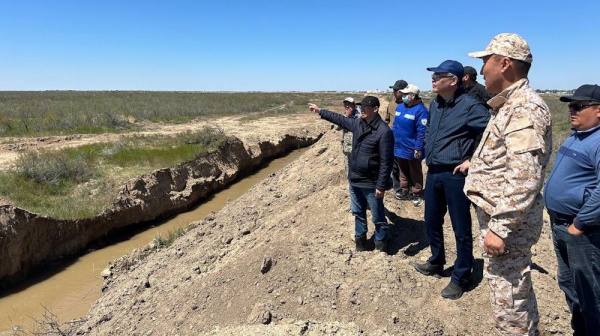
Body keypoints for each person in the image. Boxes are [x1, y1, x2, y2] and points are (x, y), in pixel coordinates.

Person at [465, 33, 552, 335]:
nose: (480, 69)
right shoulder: (509, 105)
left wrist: (500, 227)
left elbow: (525, 174)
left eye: (485, 61)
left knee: (510, 299)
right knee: (509, 293)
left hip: (507, 227)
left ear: (504, 64)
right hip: (502, 222)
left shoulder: (524, 108)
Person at [413, 60, 489, 300]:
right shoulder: (435, 104)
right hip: (434, 171)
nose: (433, 79)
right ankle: (437, 261)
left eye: (439, 75)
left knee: (460, 228)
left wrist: (472, 160)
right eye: (433, 76)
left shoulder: (470, 106)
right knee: (432, 221)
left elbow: (490, 134)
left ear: (454, 80)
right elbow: (428, 131)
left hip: (455, 175)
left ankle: (461, 275)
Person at [544, 84, 600, 335]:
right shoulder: (577, 135)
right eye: (570, 106)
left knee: (590, 293)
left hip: (584, 231)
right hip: (561, 224)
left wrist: (579, 224)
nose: (571, 111)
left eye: (579, 106)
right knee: (568, 283)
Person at [309, 96, 394, 252]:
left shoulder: (383, 131)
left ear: (375, 109)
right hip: (354, 179)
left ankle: (381, 243)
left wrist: (381, 185)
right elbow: (339, 119)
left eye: (366, 107)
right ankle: (360, 241)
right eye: (361, 107)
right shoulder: (357, 124)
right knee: (358, 212)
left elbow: (386, 162)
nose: (362, 109)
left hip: (371, 182)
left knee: (378, 217)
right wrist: (320, 111)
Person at [390, 84, 428, 207]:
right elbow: (395, 126)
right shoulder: (400, 108)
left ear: (413, 95)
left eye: (406, 94)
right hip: (400, 146)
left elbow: (422, 132)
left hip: (412, 147)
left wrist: (418, 147)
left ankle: (417, 192)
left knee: (415, 170)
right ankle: (404, 189)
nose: (404, 96)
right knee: (403, 169)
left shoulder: (421, 111)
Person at [384, 79, 408, 198]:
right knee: (394, 165)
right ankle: (397, 188)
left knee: (407, 165)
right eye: (393, 90)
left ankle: (410, 188)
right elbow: (387, 120)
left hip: (407, 140)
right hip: (393, 140)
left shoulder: (411, 104)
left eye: (395, 90)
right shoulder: (391, 104)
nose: (393, 92)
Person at [341, 97, 360, 174]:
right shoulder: (344, 116)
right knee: (348, 170)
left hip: (357, 149)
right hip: (347, 148)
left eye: (349, 104)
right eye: (345, 104)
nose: (347, 106)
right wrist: (346, 117)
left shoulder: (360, 116)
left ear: (354, 105)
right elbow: (336, 128)